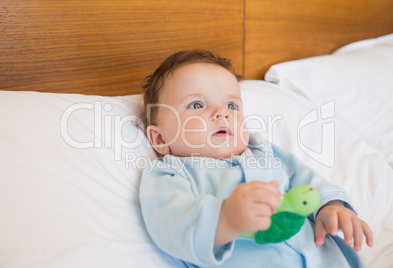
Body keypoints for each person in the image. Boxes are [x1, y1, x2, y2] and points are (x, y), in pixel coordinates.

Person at [139, 49, 373, 267]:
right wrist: (226, 219)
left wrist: (330, 207)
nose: (222, 113)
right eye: (197, 104)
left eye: (231, 105)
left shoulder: (262, 151)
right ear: (160, 139)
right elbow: (171, 224)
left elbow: (306, 180)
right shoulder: (170, 174)